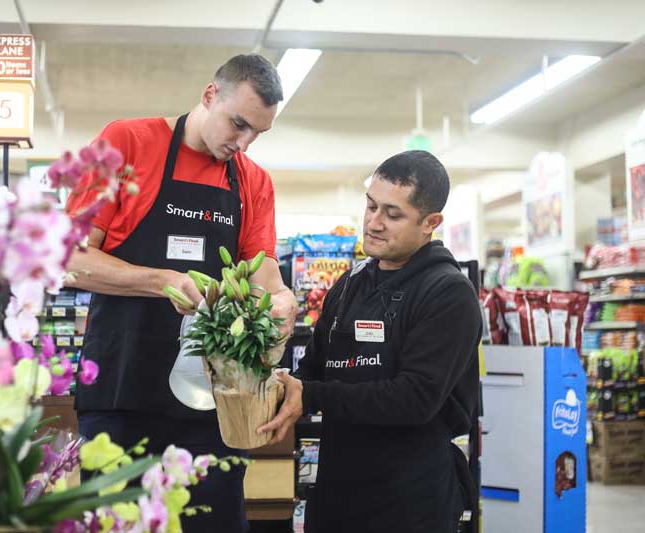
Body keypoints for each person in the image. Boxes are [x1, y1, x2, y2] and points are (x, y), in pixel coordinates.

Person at [64, 54, 297, 532]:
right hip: (120, 401)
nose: (244, 142)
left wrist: (281, 302)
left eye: (257, 133)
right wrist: (158, 279)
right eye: (238, 124)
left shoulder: (253, 181)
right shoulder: (126, 143)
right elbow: (68, 260)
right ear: (210, 95)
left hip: (211, 411)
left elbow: (263, 276)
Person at [260, 150, 482, 532]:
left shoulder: (449, 294)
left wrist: (309, 394)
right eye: (370, 206)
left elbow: (413, 399)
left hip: (410, 501)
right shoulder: (349, 285)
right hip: (337, 493)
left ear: (431, 222)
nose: (374, 223)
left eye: (393, 214)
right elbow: (314, 369)